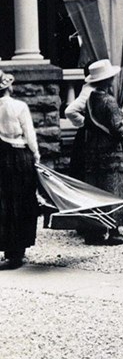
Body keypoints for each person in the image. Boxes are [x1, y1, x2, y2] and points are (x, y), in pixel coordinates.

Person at [82, 59, 123, 245]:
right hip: (111, 148)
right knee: (114, 187)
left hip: (94, 148)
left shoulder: (91, 99)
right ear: (107, 81)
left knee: (97, 188)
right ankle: (114, 230)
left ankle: (96, 229)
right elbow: (117, 128)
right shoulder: (109, 101)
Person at [0, 71, 40, 269]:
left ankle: (6, 246)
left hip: (1, 157)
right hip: (18, 156)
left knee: (4, 201)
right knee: (22, 199)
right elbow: (29, 134)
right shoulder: (19, 106)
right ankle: (17, 251)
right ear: (8, 86)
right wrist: (36, 155)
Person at [64, 61, 96, 179]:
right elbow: (70, 111)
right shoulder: (88, 91)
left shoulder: (95, 89)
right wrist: (87, 122)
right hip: (88, 136)